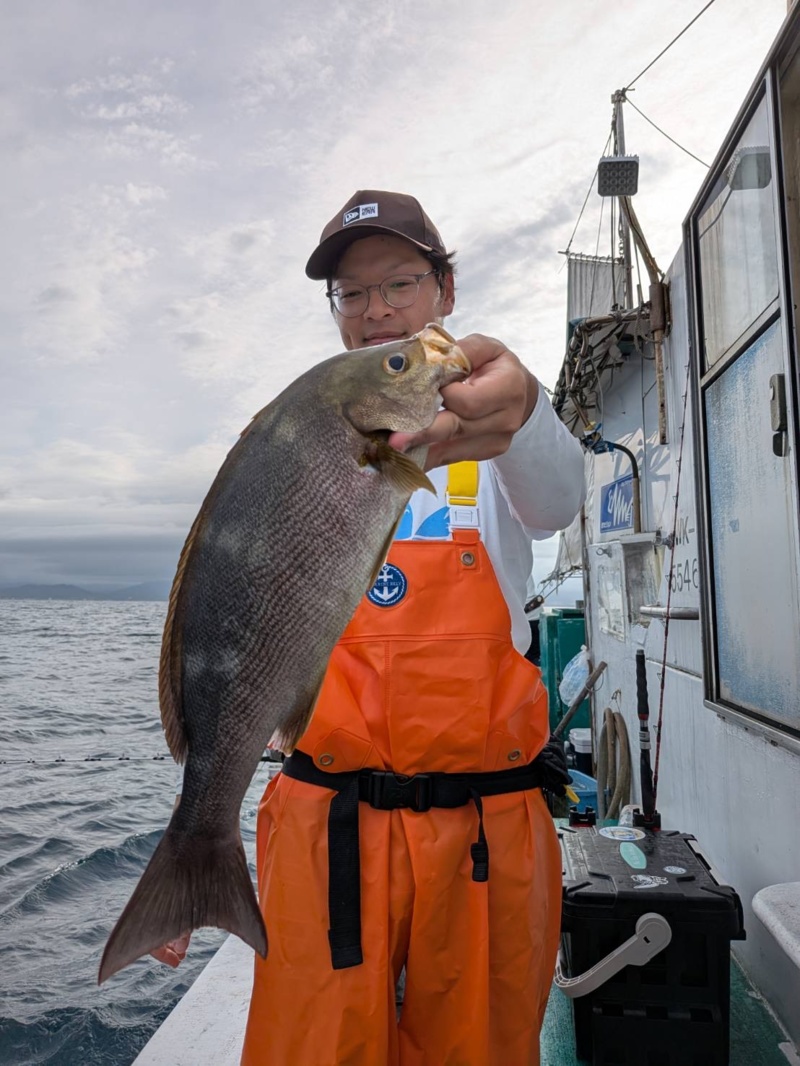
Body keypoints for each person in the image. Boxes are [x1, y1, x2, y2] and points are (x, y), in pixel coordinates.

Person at [157, 190, 585, 1065]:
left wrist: (530, 406)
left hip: (482, 833)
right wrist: (196, 837)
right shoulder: (305, 441)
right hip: (326, 830)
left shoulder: (491, 436)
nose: (376, 310)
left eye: (398, 283)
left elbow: (558, 502)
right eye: (351, 294)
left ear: (446, 290)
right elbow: (239, 617)